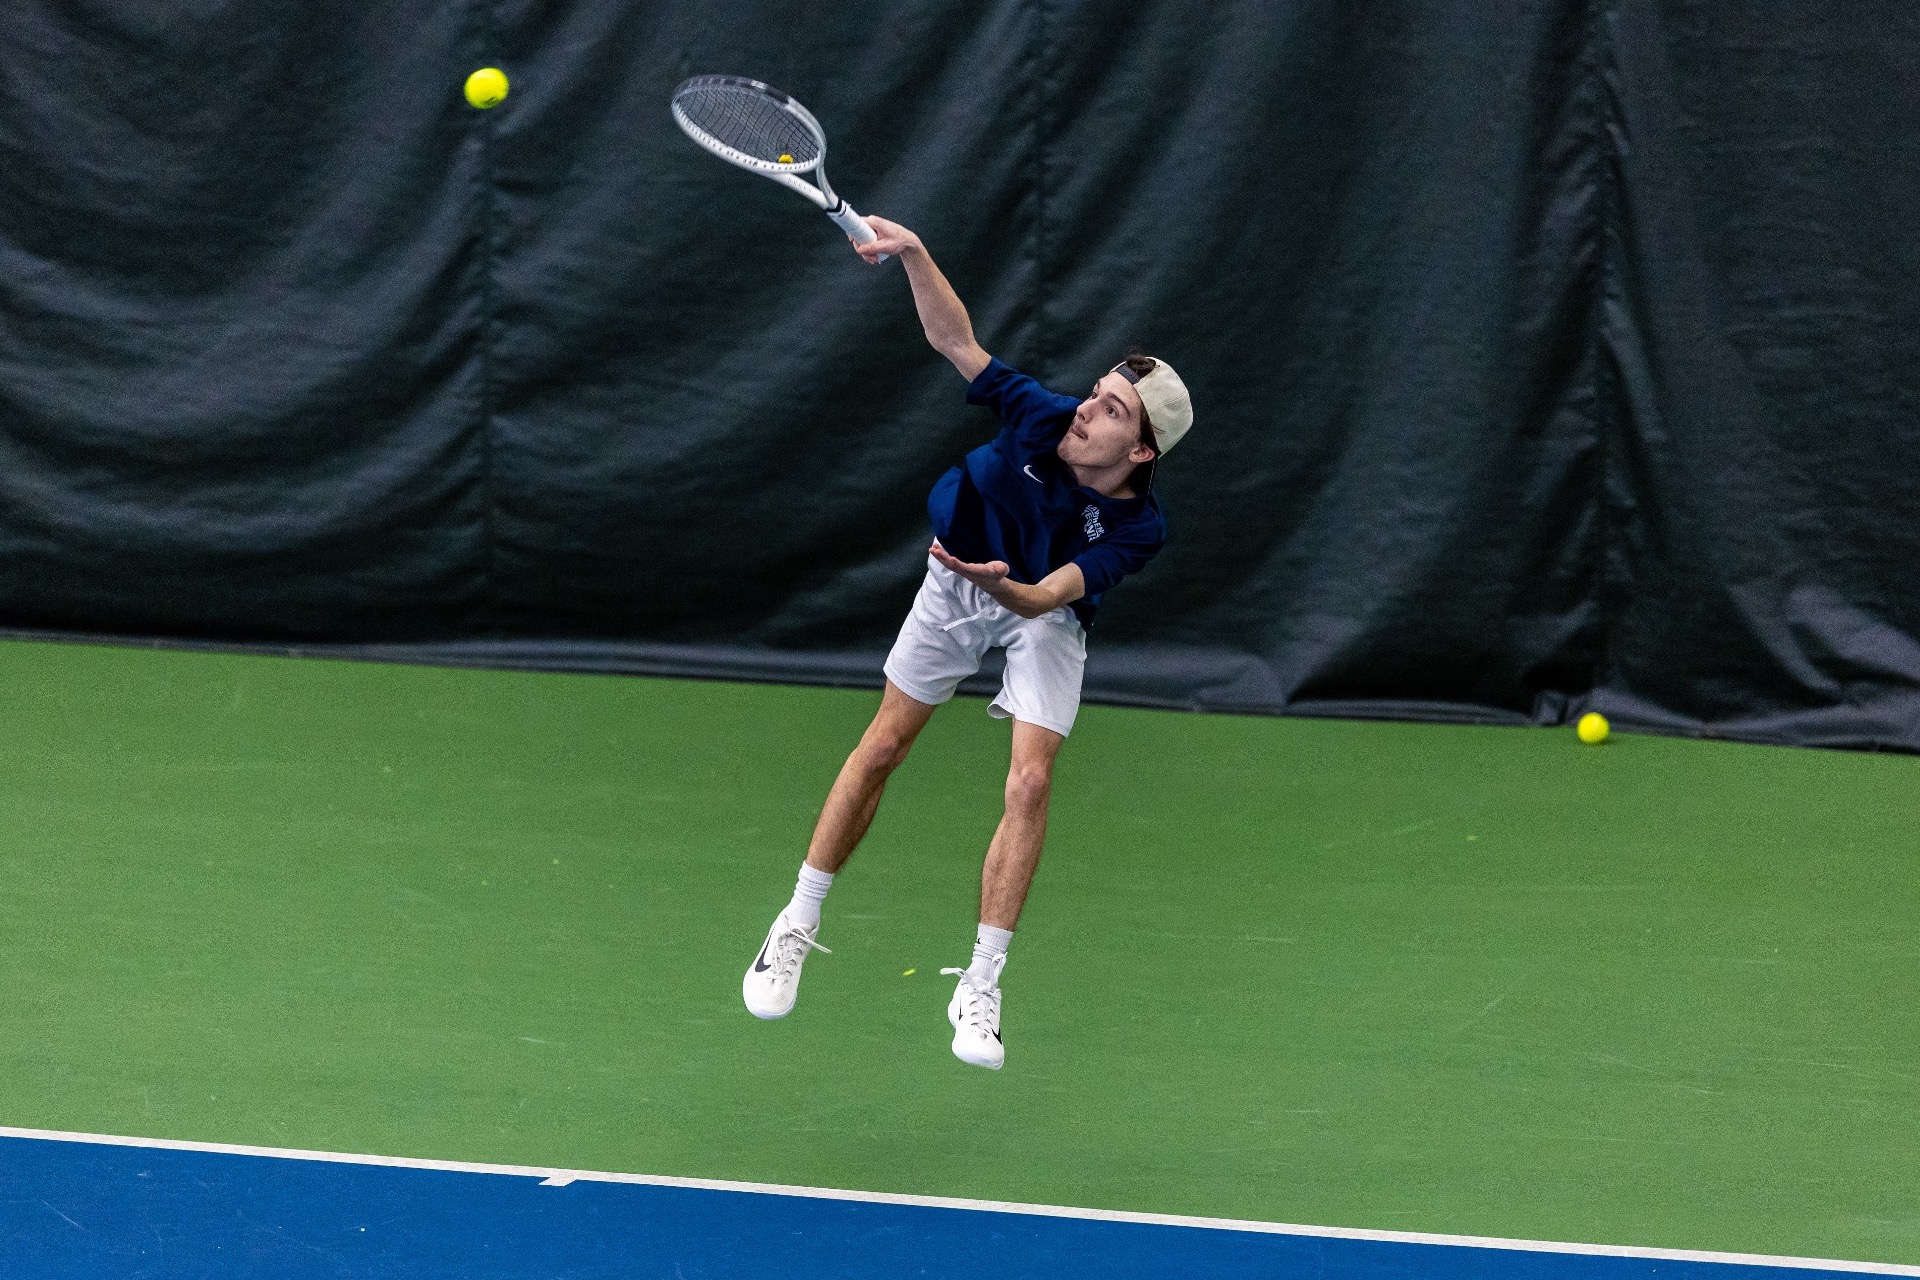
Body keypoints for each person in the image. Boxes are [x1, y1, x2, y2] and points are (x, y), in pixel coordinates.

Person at [741, 216, 1193, 1070]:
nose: (1084, 411)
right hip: (955, 582)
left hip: (1036, 609)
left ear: (1139, 449)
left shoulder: (1139, 529)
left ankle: (980, 985)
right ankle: (796, 921)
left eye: (1108, 411)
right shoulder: (1041, 416)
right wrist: (912, 252)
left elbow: (1047, 595)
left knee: (1030, 780)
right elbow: (957, 340)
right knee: (882, 747)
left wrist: (1004, 586)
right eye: (1093, 392)